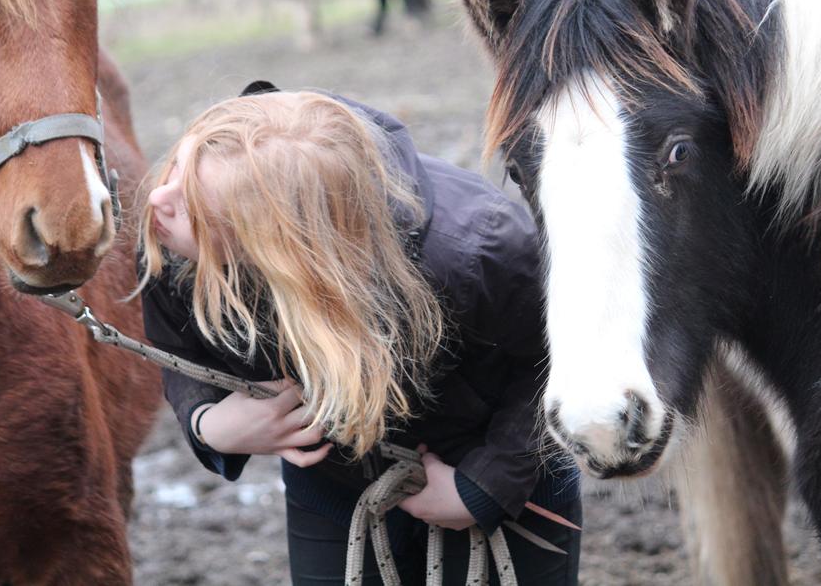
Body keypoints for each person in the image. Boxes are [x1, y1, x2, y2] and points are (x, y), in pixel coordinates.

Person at [137, 83, 581, 585]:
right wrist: (208, 422)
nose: (158, 197)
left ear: (282, 241)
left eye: (196, 202)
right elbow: (177, 346)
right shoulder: (172, 235)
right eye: (177, 170)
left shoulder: (480, 249)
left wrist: (484, 487)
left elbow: (552, 364)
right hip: (333, 486)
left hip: (499, 479)